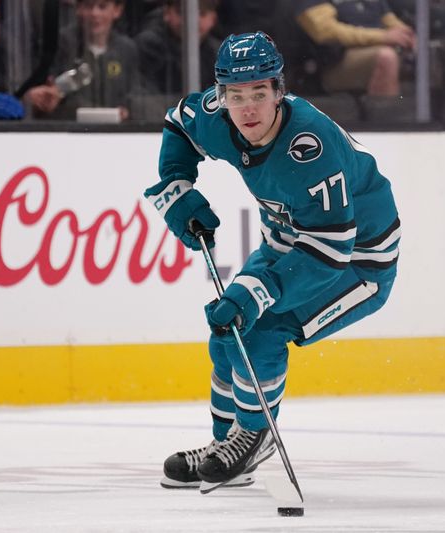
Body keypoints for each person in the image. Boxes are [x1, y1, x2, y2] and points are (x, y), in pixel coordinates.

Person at [144, 32, 400, 491]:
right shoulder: (216, 115)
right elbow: (178, 124)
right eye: (236, 95)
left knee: (261, 330)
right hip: (287, 242)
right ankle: (226, 447)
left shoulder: (310, 147)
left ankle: (254, 437)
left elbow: (330, 251)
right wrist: (177, 186)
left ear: (279, 91)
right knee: (228, 329)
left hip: (357, 261)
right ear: (221, 95)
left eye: (259, 93)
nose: (247, 109)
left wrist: (259, 291)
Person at [34, 0, 143, 121]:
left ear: (117, 10)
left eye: (102, 7)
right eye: (88, 6)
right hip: (68, 127)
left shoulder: (126, 49)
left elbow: (136, 94)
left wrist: (128, 110)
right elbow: (43, 92)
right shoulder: (59, 44)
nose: (94, 13)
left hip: (115, 128)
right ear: (78, 9)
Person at [294, 0, 417, 97]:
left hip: (375, 47)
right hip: (332, 62)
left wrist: (408, 36)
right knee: (386, 57)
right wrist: (382, 37)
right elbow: (325, 32)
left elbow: (390, 20)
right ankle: (385, 117)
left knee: (424, 54)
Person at [135, 0, 220, 95]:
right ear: (167, 13)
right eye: (182, 13)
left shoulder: (218, 53)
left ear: (213, 19)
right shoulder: (149, 46)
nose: (193, 21)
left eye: (202, 14)